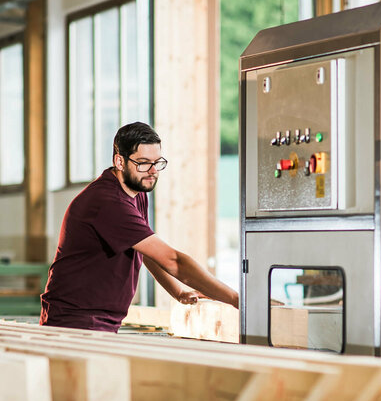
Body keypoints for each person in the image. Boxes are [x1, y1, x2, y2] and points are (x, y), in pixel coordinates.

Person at [40, 122, 238, 332]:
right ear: (120, 161)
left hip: (100, 320)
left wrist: (178, 292)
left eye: (157, 162)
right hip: (74, 322)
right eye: (143, 163)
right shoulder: (108, 202)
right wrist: (235, 299)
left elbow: (146, 250)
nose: (152, 171)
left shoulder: (136, 193)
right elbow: (174, 261)